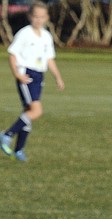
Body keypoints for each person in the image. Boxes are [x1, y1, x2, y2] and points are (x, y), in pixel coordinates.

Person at [1, 1, 64, 163]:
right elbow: (12, 54)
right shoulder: (24, 34)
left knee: (28, 112)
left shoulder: (46, 36)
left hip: (39, 76)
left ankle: (19, 150)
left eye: (42, 17)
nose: (38, 20)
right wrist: (17, 74)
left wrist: (57, 77)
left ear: (47, 18)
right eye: (36, 16)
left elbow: (49, 59)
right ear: (30, 16)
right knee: (36, 111)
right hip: (26, 74)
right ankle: (7, 134)